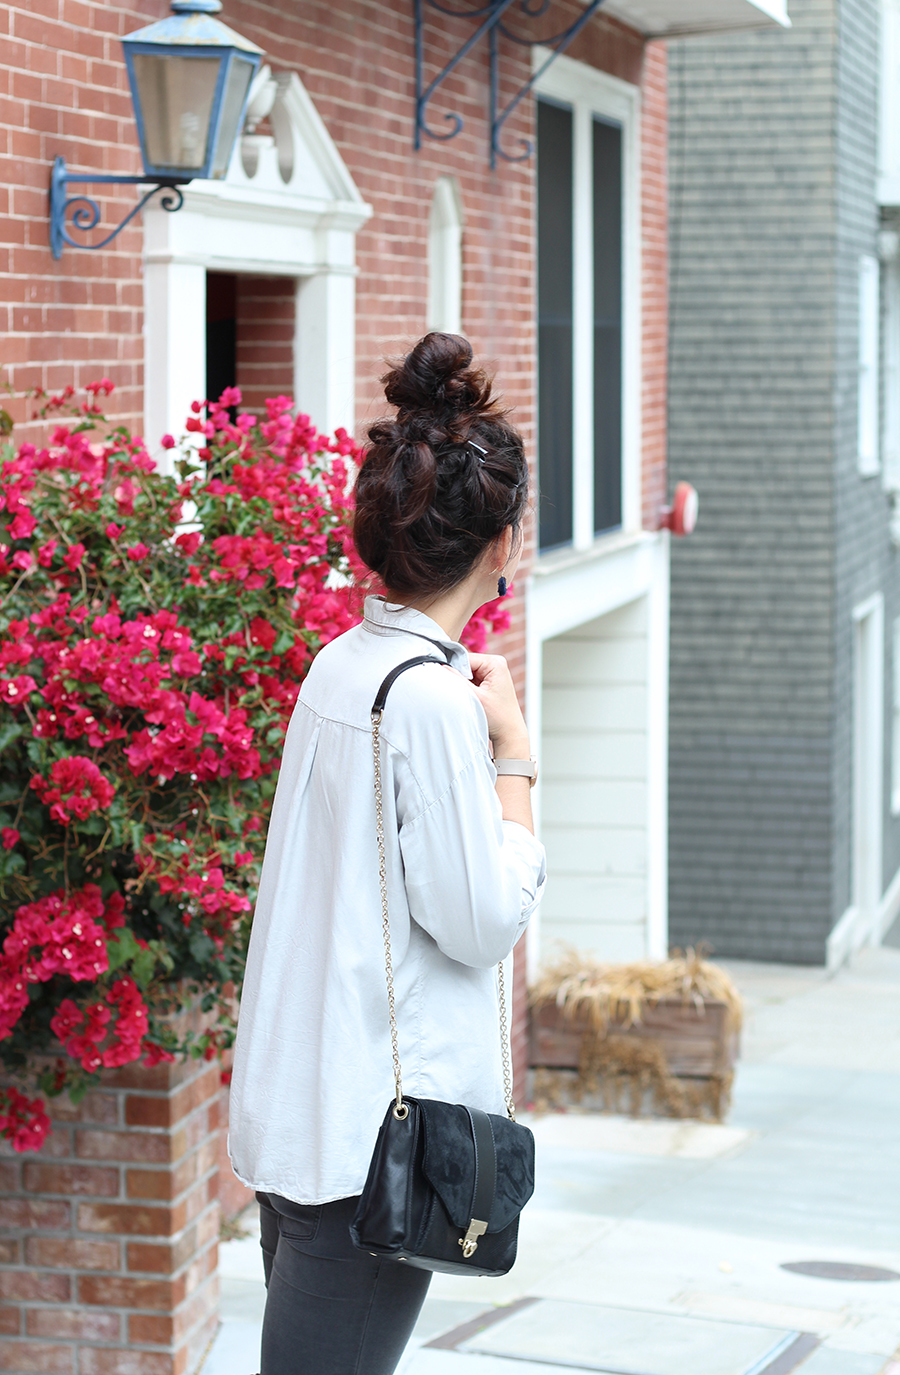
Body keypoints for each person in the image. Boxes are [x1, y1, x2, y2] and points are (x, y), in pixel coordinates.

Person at [228, 332, 547, 1375]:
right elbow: (483, 921)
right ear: (501, 544)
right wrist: (515, 754)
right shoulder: (432, 704)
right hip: (374, 1149)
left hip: (306, 1117)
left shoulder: (342, 665)